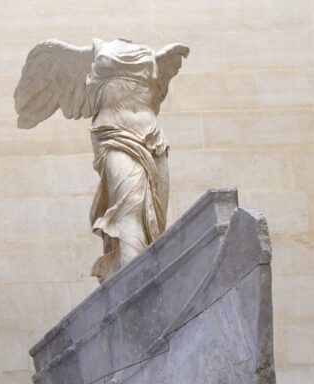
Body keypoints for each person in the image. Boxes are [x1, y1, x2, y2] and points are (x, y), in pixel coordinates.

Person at [13, 38, 189, 281]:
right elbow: (29, 103)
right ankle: (133, 288)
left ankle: (142, 283)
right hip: (114, 134)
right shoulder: (89, 54)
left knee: (154, 225)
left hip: (153, 138)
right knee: (128, 209)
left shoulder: (152, 55)